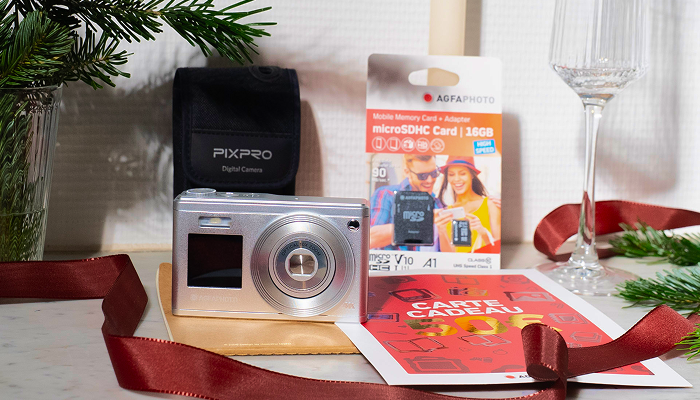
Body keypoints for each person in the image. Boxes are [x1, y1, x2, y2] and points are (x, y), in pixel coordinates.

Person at [369, 154, 451, 250]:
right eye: (422, 176)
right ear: (407, 172)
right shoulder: (386, 194)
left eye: (433, 173)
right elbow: (370, 239)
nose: (430, 180)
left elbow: (447, 254)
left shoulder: (437, 204)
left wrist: (442, 230)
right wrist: (423, 219)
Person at [435, 156, 501, 252]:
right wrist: (441, 231)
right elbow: (450, 255)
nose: (456, 179)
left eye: (462, 173)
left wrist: (483, 232)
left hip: (481, 260)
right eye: (451, 174)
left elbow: (497, 249)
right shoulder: (448, 212)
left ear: (472, 175)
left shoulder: (490, 205)